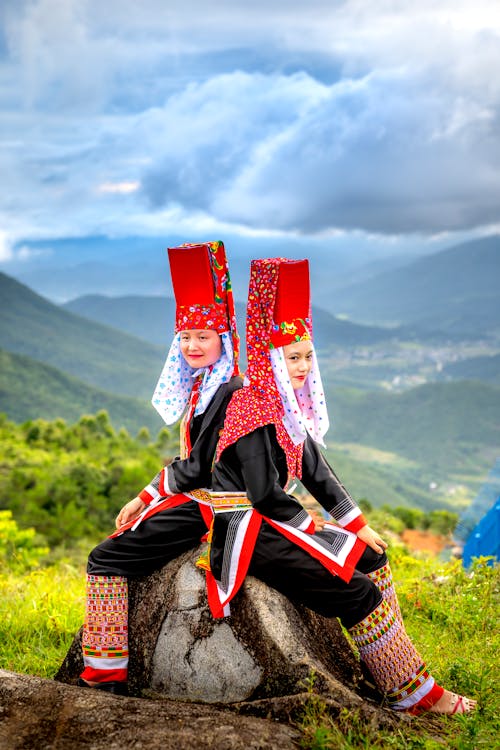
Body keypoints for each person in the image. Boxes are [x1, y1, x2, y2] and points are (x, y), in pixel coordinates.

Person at [201, 257, 476, 716]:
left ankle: (390, 664)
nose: (305, 367)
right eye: (293, 357)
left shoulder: (287, 407)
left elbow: (315, 470)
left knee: (374, 557)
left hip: (274, 519)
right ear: (270, 359)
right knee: (359, 592)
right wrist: (317, 532)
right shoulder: (251, 409)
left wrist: (355, 526)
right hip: (246, 528)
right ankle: (412, 695)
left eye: (309, 355)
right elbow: (266, 494)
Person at [78, 241, 242, 695]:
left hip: (216, 506)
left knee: (104, 557)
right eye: (185, 337)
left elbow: (197, 469)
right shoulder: (210, 386)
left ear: (222, 339)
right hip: (207, 497)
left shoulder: (228, 390)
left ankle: (106, 675)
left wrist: (145, 496)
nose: (191, 345)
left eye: (203, 337)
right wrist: (152, 494)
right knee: (113, 550)